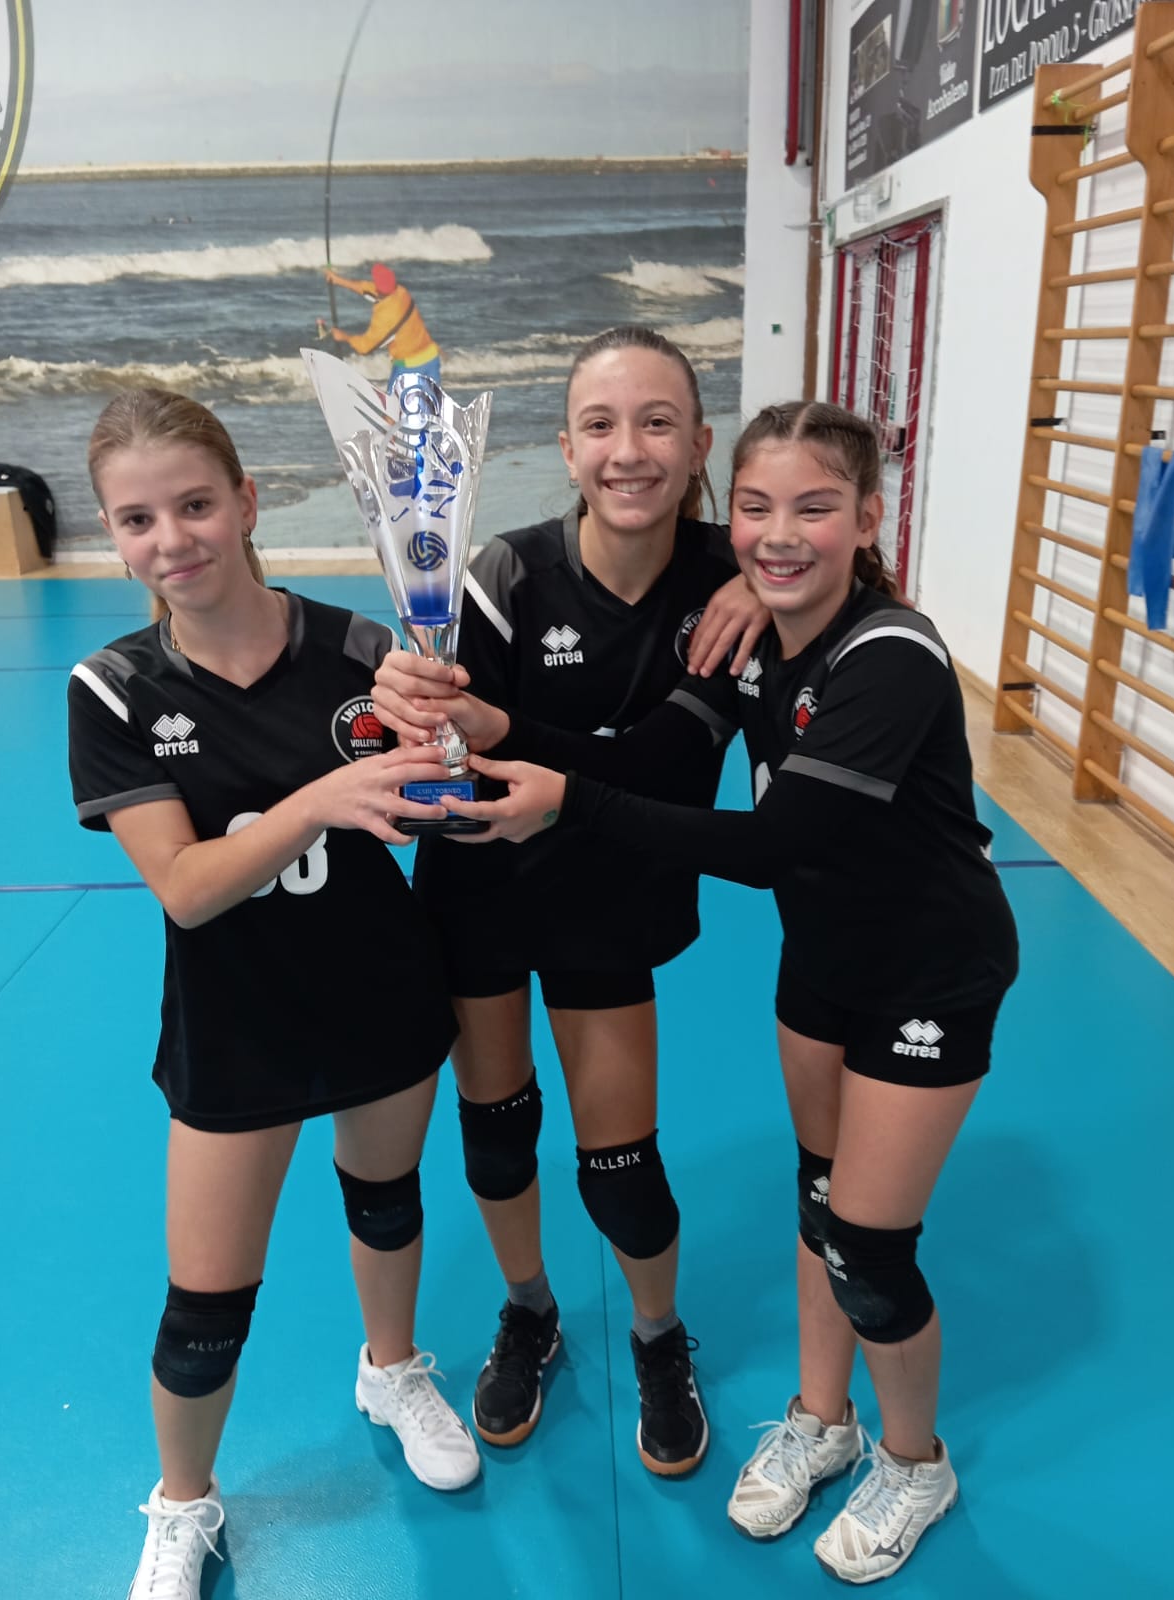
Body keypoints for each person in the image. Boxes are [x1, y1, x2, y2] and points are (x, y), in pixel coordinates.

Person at [384, 399, 1020, 1584]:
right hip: (820, 958)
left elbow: (774, 841)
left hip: (926, 972)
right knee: (818, 1199)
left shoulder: (891, 654)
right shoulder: (757, 631)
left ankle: (913, 1460)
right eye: (760, 510)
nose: (778, 533)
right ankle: (821, 1419)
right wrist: (473, 718)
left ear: (869, 517)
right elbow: (650, 745)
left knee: (869, 1249)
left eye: (815, 508)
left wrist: (567, 801)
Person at [67, 388, 478, 1600]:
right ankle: (182, 1501)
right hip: (235, 1022)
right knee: (205, 1308)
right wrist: (319, 801)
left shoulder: (362, 648)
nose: (172, 538)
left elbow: (427, 804)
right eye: (137, 519)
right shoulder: (113, 688)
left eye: (195, 504)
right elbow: (188, 888)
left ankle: (391, 1368)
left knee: (386, 1203)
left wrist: (446, 753)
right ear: (112, 535)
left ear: (247, 503)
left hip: (381, 991)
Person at [372, 326, 768, 1477]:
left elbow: (661, 763)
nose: (628, 450)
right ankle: (530, 1309)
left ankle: (657, 1333)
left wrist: (760, 571)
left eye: (657, 422)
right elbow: (456, 757)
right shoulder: (499, 576)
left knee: (622, 1167)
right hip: (482, 888)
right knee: (497, 1135)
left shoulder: (733, 585)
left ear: (700, 444)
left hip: (612, 893)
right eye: (600, 424)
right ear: (564, 447)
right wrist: (409, 701)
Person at [324, 262, 441, 387]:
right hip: (431, 358)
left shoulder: (385, 316)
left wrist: (344, 337)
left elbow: (365, 347)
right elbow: (368, 289)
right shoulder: (401, 292)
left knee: (394, 400)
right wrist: (338, 280)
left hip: (409, 367)